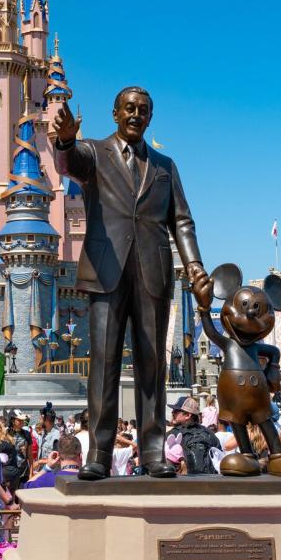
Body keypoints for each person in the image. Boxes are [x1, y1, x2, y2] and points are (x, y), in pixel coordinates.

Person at [51, 86, 209, 480]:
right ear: (115, 114)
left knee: (152, 365)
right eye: (129, 109)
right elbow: (68, 163)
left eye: (143, 110)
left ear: (150, 117)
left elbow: (182, 222)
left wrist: (195, 267)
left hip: (153, 272)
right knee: (102, 363)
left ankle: (153, 452)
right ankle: (99, 455)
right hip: (107, 271)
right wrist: (66, 139)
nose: (136, 115)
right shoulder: (94, 153)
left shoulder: (165, 166)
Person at [166, 396, 221, 475]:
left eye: (176, 411)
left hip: (181, 483)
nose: (172, 413)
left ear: (188, 415)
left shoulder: (173, 434)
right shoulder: (210, 434)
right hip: (209, 481)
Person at [30, 404, 61, 478]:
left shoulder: (56, 437)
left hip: (52, 475)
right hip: (43, 472)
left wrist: (40, 462)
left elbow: (57, 459)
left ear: (46, 420)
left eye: (41, 418)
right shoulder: (45, 432)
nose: (39, 420)